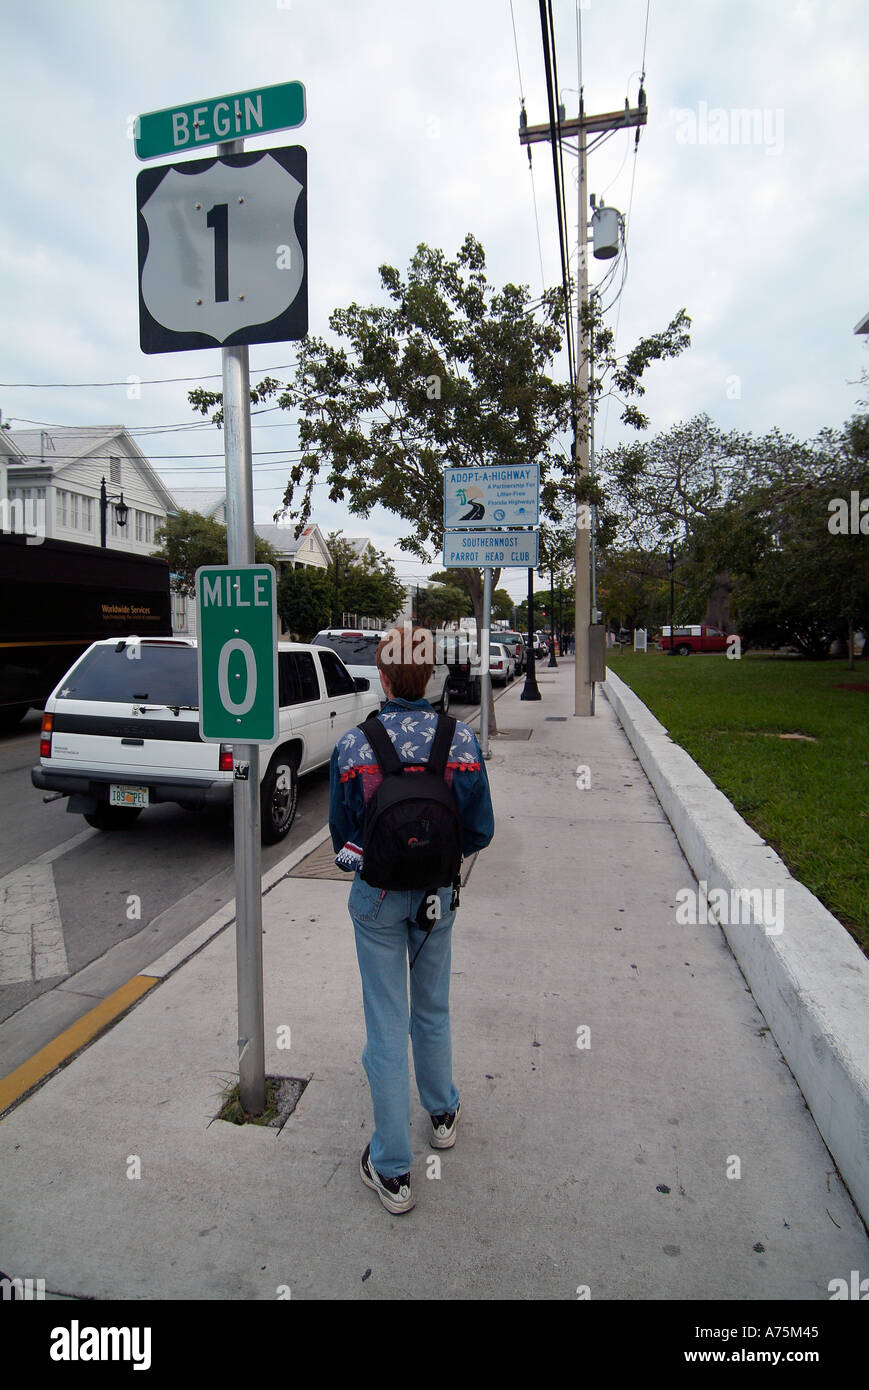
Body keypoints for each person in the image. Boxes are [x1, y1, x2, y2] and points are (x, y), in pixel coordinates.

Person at [328, 623, 494, 1214]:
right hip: (436, 899)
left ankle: (393, 1169)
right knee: (433, 1007)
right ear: (430, 672)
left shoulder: (354, 746)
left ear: (382, 671)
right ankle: (442, 1113)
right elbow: (480, 831)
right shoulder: (462, 742)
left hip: (375, 899)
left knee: (385, 1021)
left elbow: (343, 838)